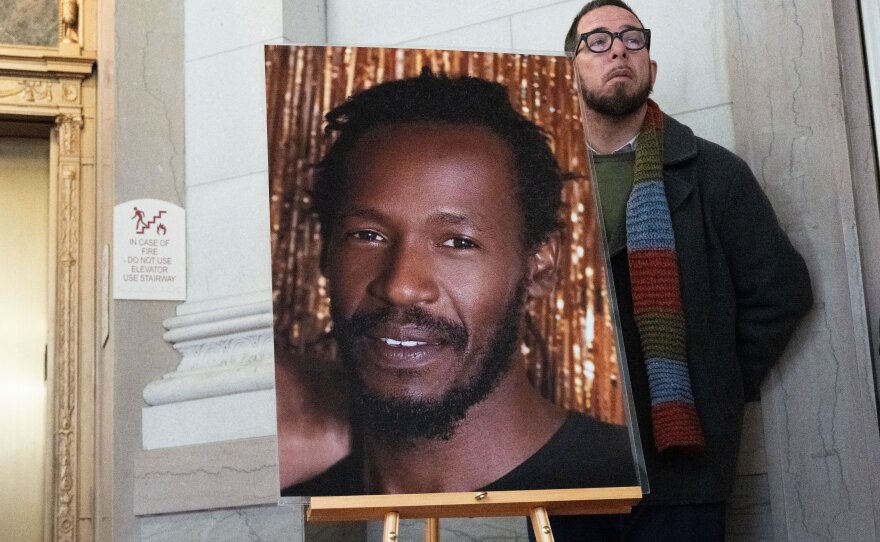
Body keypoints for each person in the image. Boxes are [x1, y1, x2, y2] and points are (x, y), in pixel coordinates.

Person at [281, 69, 639, 496]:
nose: (400, 286)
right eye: (367, 235)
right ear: (324, 251)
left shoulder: (618, 486)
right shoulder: (294, 501)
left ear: (539, 266)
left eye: (457, 242)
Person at [546, 0, 813, 539]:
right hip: (565, 462)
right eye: (596, 41)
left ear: (651, 67)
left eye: (633, 39)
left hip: (682, 465)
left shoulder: (714, 173)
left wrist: (715, 379)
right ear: (567, 71)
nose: (618, 48)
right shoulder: (537, 182)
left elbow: (781, 291)